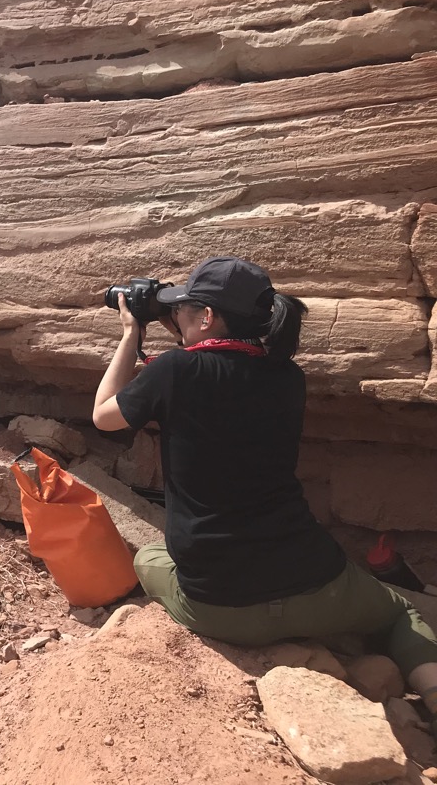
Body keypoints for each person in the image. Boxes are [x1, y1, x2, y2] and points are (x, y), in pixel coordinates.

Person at [92, 256, 437, 724]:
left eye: (183, 310)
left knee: (149, 558)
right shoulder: (288, 378)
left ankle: (290, 639)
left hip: (220, 601)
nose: (175, 317)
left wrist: (131, 333)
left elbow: (104, 415)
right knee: (399, 612)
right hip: (316, 579)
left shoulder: (175, 371)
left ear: (208, 317)